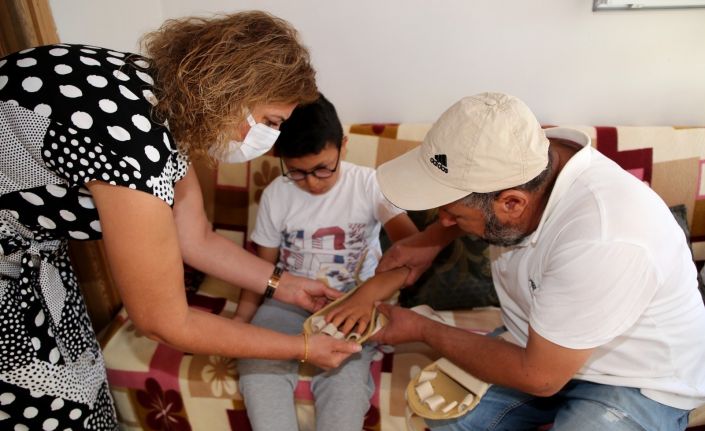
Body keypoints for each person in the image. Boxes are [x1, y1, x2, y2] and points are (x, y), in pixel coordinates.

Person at [0, 11, 362, 430]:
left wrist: (287, 286)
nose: (270, 140)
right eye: (271, 122)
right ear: (233, 91)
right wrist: (302, 348)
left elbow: (196, 238)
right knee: (54, 412)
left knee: (83, 388)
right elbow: (164, 322)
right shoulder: (135, 148)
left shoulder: (160, 99)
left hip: (33, 260)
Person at [372, 92, 705, 430]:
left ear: (512, 204)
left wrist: (422, 328)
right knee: (445, 419)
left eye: (452, 215)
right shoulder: (531, 159)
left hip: (638, 378)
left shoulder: (604, 238)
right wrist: (431, 240)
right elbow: (477, 200)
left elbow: (539, 377)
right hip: (536, 343)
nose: (443, 220)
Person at [233, 93, 419, 431]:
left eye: (322, 169)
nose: (312, 182)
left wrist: (367, 298)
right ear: (280, 158)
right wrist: (240, 323)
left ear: (343, 146)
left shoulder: (369, 184)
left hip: (351, 305)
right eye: (297, 172)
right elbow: (262, 271)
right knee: (258, 368)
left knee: (345, 385)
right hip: (286, 303)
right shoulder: (276, 194)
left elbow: (413, 251)